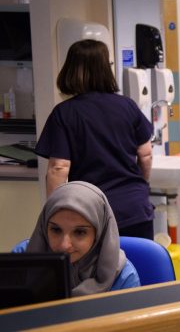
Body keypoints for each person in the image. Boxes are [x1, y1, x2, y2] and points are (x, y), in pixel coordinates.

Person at [36, 40, 154, 239]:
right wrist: (137, 186)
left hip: (90, 212)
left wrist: (55, 212)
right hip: (135, 209)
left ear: (71, 69)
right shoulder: (127, 106)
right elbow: (146, 154)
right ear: (106, 69)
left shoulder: (64, 113)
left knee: (97, 270)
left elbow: (58, 168)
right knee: (138, 265)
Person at [14, 181, 140, 295]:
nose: (64, 245)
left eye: (79, 232)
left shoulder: (123, 277)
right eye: (56, 230)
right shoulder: (22, 258)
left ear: (98, 234)